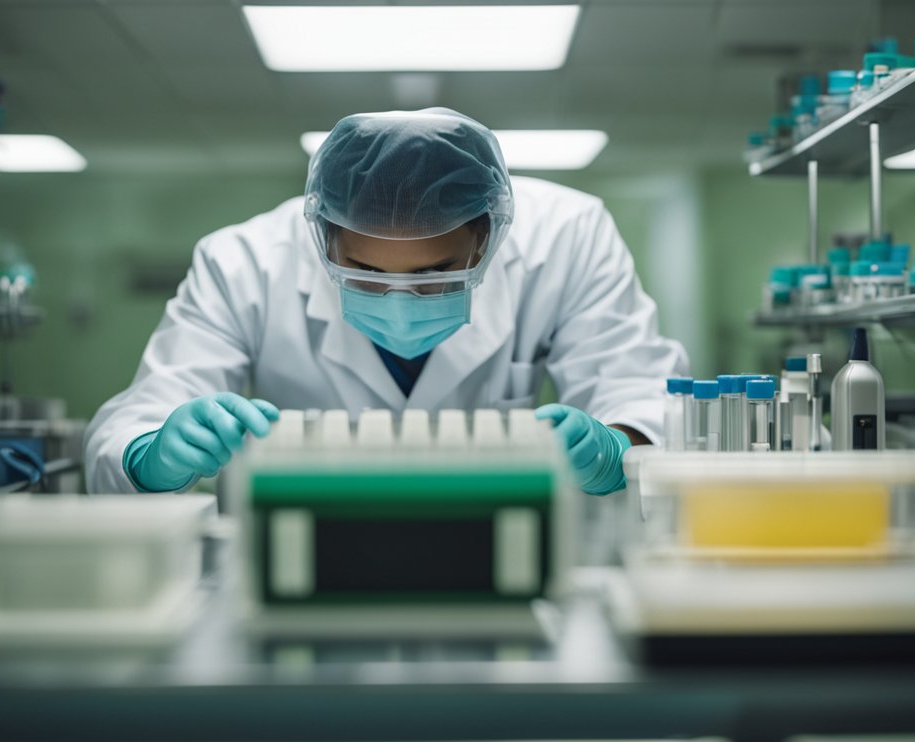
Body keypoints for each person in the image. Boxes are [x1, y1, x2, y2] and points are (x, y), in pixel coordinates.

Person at [84, 108, 688, 495]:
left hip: (495, 537)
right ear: (324, 240)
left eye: (435, 274)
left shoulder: (567, 235)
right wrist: (152, 455)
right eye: (367, 274)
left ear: (490, 235)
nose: (400, 303)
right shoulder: (243, 261)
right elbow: (130, 427)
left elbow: (639, 390)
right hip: (305, 544)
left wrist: (618, 448)